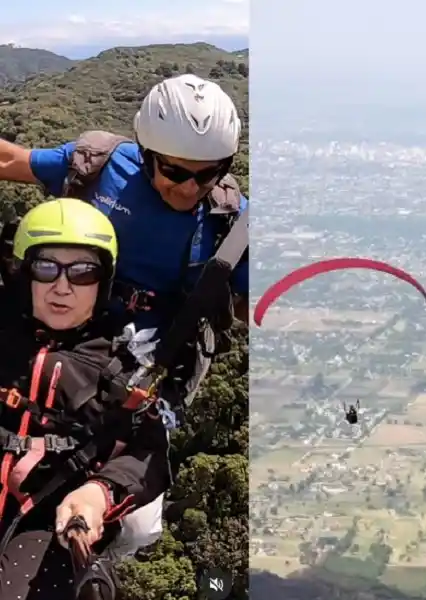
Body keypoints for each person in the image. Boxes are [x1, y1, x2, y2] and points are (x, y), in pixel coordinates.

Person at [0, 72, 250, 558]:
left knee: (135, 527)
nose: (190, 188)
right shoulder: (101, 168)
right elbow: (13, 160)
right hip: (59, 323)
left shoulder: (228, 222)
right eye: (175, 172)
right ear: (146, 153)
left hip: (142, 362)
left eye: (209, 173)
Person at [0, 199, 170, 599]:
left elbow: (148, 453)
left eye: (83, 272)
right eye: (46, 268)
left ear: (103, 281)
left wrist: (98, 493)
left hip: (44, 516)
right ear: (25, 275)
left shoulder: (120, 364)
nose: (62, 287)